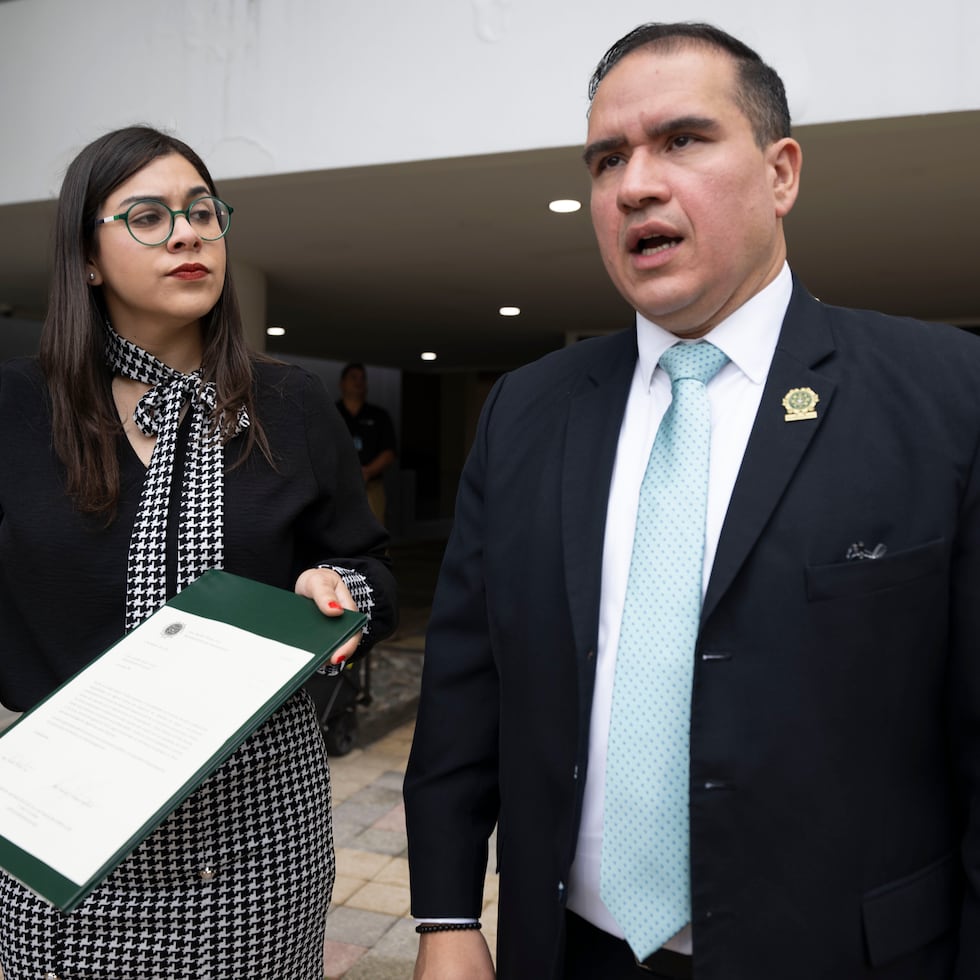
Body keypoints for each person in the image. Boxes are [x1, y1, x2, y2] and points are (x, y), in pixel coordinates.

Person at [403, 21, 980, 980]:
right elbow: (467, 684)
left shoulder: (948, 395)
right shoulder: (527, 411)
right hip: (571, 954)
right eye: (606, 158)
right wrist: (445, 918)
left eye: (682, 140)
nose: (634, 184)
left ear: (782, 170)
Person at [0, 126, 396, 980]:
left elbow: (374, 567)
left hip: (258, 833)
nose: (187, 234)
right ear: (89, 259)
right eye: (147, 216)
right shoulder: (18, 411)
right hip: (70, 828)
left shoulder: (289, 402)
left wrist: (345, 591)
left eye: (203, 213)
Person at [335, 361, 398, 525]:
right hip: (338, 486)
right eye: (353, 377)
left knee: (374, 531)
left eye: (363, 378)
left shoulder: (379, 415)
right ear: (342, 383)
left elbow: (389, 452)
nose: (358, 382)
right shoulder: (331, 413)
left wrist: (367, 472)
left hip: (371, 486)